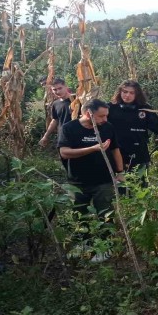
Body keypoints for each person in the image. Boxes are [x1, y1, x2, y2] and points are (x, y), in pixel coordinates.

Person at [58, 99, 124, 263]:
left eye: (106, 116)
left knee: (106, 214)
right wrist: (93, 149)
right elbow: (64, 152)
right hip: (77, 181)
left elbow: (115, 150)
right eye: (101, 116)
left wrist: (120, 172)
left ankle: (105, 247)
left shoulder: (107, 128)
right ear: (88, 114)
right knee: (80, 214)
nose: (105, 119)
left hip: (104, 180)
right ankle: (84, 244)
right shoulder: (69, 128)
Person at [39, 78, 74, 147]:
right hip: (63, 136)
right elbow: (55, 120)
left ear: (66, 86)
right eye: (54, 90)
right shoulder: (55, 104)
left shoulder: (77, 100)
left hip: (78, 135)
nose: (58, 91)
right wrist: (46, 136)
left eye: (60, 88)